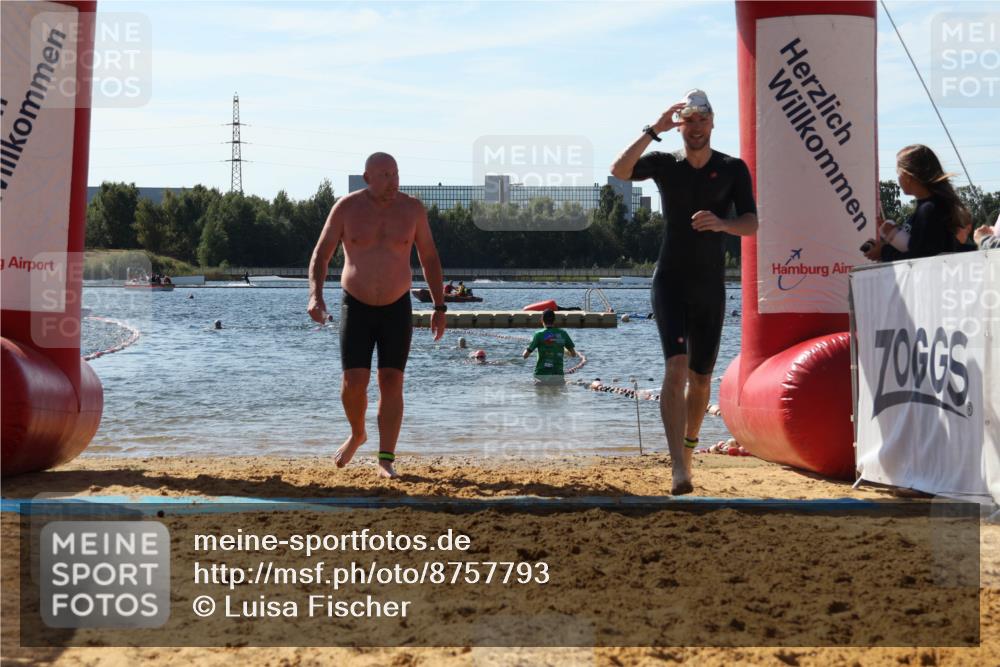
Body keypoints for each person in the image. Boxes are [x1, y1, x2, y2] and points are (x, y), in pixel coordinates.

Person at [610, 89, 758, 495]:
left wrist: (723, 224)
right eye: (687, 121)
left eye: (701, 120)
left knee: (702, 380)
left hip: (710, 285)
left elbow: (752, 223)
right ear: (680, 126)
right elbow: (619, 171)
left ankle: (688, 450)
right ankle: (678, 467)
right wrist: (652, 130)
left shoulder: (733, 169)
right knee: (675, 369)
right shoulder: (664, 163)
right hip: (670, 280)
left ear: (712, 123)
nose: (695, 128)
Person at [307, 152, 446, 479]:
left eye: (396, 174)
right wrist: (315, 295)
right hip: (355, 304)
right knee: (353, 382)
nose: (392, 181)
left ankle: (385, 459)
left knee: (391, 380)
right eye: (384, 175)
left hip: (397, 306)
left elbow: (429, 257)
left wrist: (440, 307)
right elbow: (321, 254)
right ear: (367, 177)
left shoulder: (412, 209)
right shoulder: (346, 208)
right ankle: (358, 433)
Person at [864, 144, 973, 262]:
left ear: (908, 176)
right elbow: (919, 248)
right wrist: (892, 235)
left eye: (898, 173)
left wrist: (883, 253)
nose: (898, 179)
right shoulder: (931, 206)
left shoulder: (930, 209)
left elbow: (920, 258)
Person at [522, 309, 577, 386]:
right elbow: (573, 354)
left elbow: (525, 356)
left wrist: (528, 347)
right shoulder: (563, 333)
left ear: (542, 320)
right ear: (554, 320)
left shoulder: (538, 334)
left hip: (541, 376)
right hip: (558, 376)